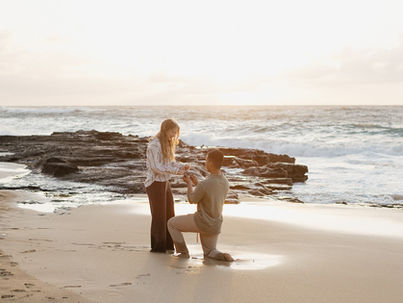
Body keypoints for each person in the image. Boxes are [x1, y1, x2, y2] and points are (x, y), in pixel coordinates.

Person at [167, 149, 234, 261]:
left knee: (171, 224)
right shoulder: (225, 181)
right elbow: (210, 194)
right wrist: (196, 183)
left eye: (206, 160)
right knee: (210, 252)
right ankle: (223, 256)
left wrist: (189, 184)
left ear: (211, 163)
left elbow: (192, 199)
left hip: (202, 222)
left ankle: (182, 252)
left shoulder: (205, 184)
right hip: (215, 224)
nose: (205, 163)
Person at [144, 118, 189, 253]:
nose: (174, 135)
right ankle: (158, 248)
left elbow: (169, 162)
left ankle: (169, 246)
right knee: (159, 217)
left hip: (164, 182)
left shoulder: (166, 143)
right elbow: (157, 167)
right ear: (165, 130)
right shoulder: (153, 145)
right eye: (173, 132)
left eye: (176, 133)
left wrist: (182, 166)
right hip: (155, 183)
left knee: (169, 214)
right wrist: (176, 171)